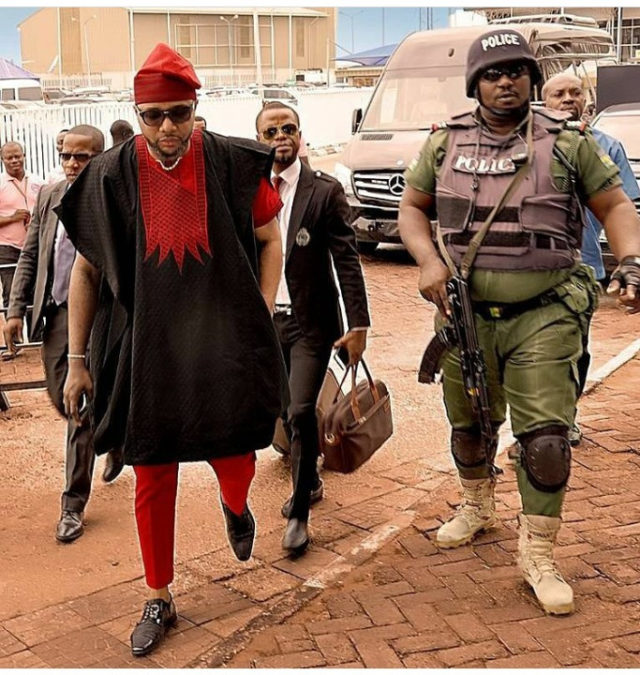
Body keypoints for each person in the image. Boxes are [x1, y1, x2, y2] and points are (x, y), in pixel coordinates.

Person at [398, 29, 640, 616]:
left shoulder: (569, 144)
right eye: (492, 73)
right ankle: (477, 505)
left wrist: (631, 261)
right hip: (465, 316)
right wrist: (428, 259)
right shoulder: (443, 144)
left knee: (546, 441)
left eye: (515, 71)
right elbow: (413, 207)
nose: (504, 81)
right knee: (469, 425)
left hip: (545, 312)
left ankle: (538, 553)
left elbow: (614, 205)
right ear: (474, 83)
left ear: (532, 79)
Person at [59, 43, 286, 658]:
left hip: (224, 344)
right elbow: (85, 272)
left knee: (236, 453)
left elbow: (270, 239)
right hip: (147, 350)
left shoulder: (234, 162)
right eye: (153, 115)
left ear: (195, 108)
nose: (166, 128)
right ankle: (158, 595)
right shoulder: (108, 176)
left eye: (178, 114)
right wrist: (77, 362)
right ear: (137, 111)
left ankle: (235, 506)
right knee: (152, 473)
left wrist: (260, 311)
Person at [256, 101, 370, 555]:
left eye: (289, 128)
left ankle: (300, 512)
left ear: (300, 135)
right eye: (271, 132)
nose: (281, 137)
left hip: (312, 324)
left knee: (302, 410)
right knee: (282, 411)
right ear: (259, 140)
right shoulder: (247, 191)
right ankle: (311, 476)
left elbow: (347, 260)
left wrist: (359, 323)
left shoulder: (323, 191)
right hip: (266, 324)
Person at [3, 125, 124, 543]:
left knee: (78, 407)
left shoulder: (113, 197)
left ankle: (72, 503)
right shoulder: (50, 195)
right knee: (61, 396)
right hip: (56, 314)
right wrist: (15, 310)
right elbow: (31, 253)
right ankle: (112, 436)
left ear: (99, 157)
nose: (72, 164)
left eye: (81, 157)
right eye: (66, 156)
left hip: (100, 316)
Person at [542, 72, 640, 446]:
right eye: (559, 94)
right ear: (545, 102)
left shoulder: (606, 147)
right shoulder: (529, 145)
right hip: (532, 268)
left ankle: (565, 415)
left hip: (582, 267)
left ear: (587, 100)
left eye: (576, 92)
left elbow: (623, 207)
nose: (568, 98)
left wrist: (630, 262)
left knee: (575, 349)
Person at [0, 142, 44, 308]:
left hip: (34, 244)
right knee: (12, 293)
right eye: (9, 158)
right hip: (7, 247)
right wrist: (12, 218)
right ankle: (12, 326)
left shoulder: (38, 182)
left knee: (36, 294)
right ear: (2, 160)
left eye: (17, 156)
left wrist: (36, 220)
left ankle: (35, 327)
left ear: (24, 156)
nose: (14, 160)